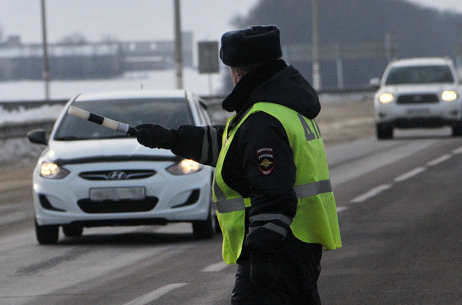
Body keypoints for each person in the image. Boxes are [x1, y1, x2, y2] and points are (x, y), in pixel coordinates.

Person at [135, 25, 341, 305]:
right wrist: (170, 138)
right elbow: (230, 147)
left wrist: (263, 253)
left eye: (231, 71)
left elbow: (272, 190)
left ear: (239, 73)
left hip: (277, 250)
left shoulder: (263, 119)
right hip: (299, 245)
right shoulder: (283, 108)